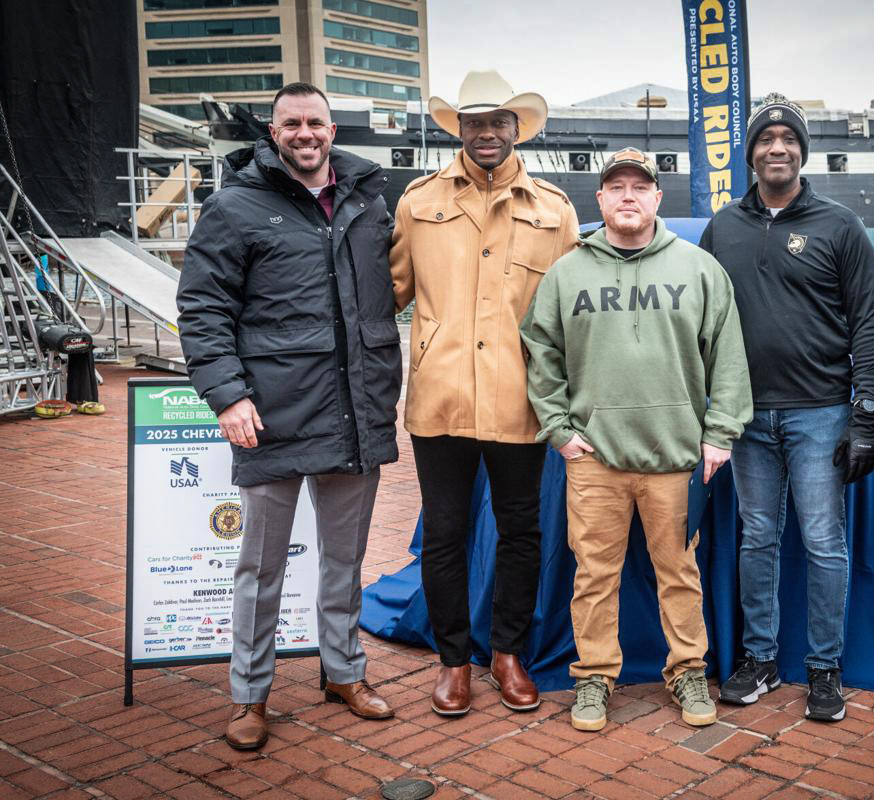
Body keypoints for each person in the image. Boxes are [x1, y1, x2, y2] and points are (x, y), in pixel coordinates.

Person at [177, 82, 404, 750]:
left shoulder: (368, 203)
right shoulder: (234, 206)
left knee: (344, 561)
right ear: (273, 134)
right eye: (292, 124)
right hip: (271, 416)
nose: (305, 133)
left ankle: (345, 673)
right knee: (260, 569)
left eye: (316, 123)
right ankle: (250, 695)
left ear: (332, 131)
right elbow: (203, 308)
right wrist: (228, 396)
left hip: (354, 412)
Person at [521, 147, 752, 732]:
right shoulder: (567, 272)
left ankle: (688, 670)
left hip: (674, 457)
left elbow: (728, 357)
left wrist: (720, 434)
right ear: (599, 199)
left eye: (640, 186)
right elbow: (541, 353)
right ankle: (594, 676)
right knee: (594, 576)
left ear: (657, 197)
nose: (628, 196)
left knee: (679, 573)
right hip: (594, 458)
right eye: (617, 187)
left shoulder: (699, 268)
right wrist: (559, 431)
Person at [389, 69, 579, 716]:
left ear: (516, 128)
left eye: (498, 121)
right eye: (475, 122)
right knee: (445, 534)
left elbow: (573, 313)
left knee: (520, 531)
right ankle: (453, 662)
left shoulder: (554, 210)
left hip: (520, 399)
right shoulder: (418, 202)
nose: (487, 132)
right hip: (439, 397)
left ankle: (507, 654)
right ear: (460, 129)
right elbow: (386, 294)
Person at [699, 94, 874, 721]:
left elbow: (869, 322)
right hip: (744, 415)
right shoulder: (722, 227)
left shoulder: (840, 225)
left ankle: (825, 667)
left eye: (788, 139)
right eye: (765, 139)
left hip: (821, 413)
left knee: (824, 541)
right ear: (749, 153)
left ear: (803, 152)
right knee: (757, 538)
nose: (776, 147)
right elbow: (700, 320)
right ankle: (760, 658)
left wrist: (865, 413)